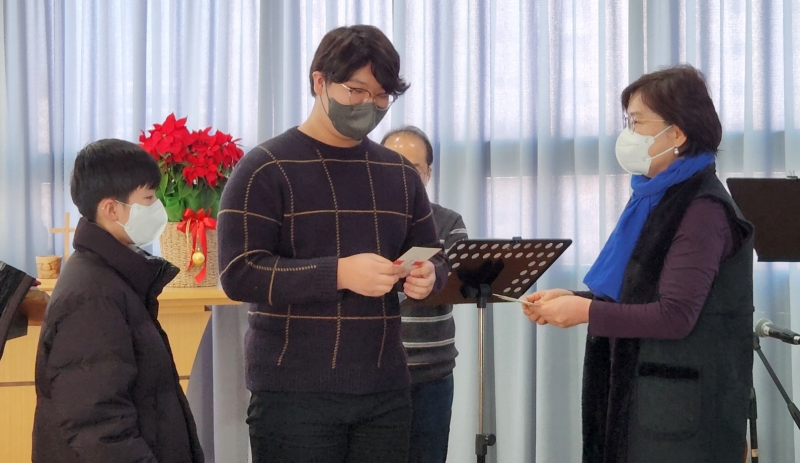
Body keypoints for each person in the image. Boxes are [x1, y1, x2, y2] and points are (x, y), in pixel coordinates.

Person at [217, 25, 447, 463]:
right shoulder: (265, 168)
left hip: (385, 389)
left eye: (381, 97)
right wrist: (338, 273)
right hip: (292, 393)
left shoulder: (399, 173)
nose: (369, 105)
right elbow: (239, 272)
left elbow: (431, 253)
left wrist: (429, 276)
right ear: (319, 81)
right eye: (356, 91)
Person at [522, 65, 754, 463]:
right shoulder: (656, 195)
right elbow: (639, 289)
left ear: (677, 134)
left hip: (681, 411)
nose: (628, 134)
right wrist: (576, 299)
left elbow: (675, 315)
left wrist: (585, 312)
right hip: (646, 398)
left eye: (637, 122)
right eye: (627, 122)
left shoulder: (703, 209)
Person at [33, 139, 204, 462]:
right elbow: (98, 425)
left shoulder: (114, 278)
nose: (158, 208)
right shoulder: (91, 297)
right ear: (111, 209)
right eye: (149, 199)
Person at [381, 126, 467, 463]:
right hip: (373, 370)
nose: (402, 177)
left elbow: (459, 280)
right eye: (393, 166)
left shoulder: (448, 221)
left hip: (432, 370)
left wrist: (433, 275)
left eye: (413, 169)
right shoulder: (361, 222)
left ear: (428, 174)